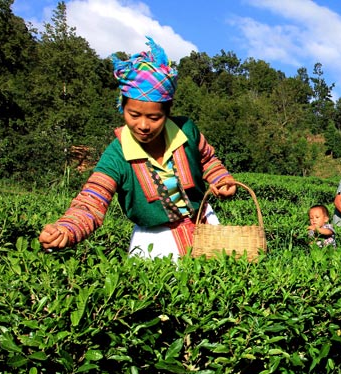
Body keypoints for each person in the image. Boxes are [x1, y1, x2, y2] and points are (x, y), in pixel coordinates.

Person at [38, 37, 236, 260]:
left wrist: (221, 180)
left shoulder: (187, 131)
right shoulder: (117, 155)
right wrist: (67, 229)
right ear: (122, 107)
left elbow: (207, 159)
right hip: (156, 242)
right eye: (134, 115)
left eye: (154, 117)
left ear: (167, 112)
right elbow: (92, 200)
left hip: (206, 227)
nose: (143, 125)